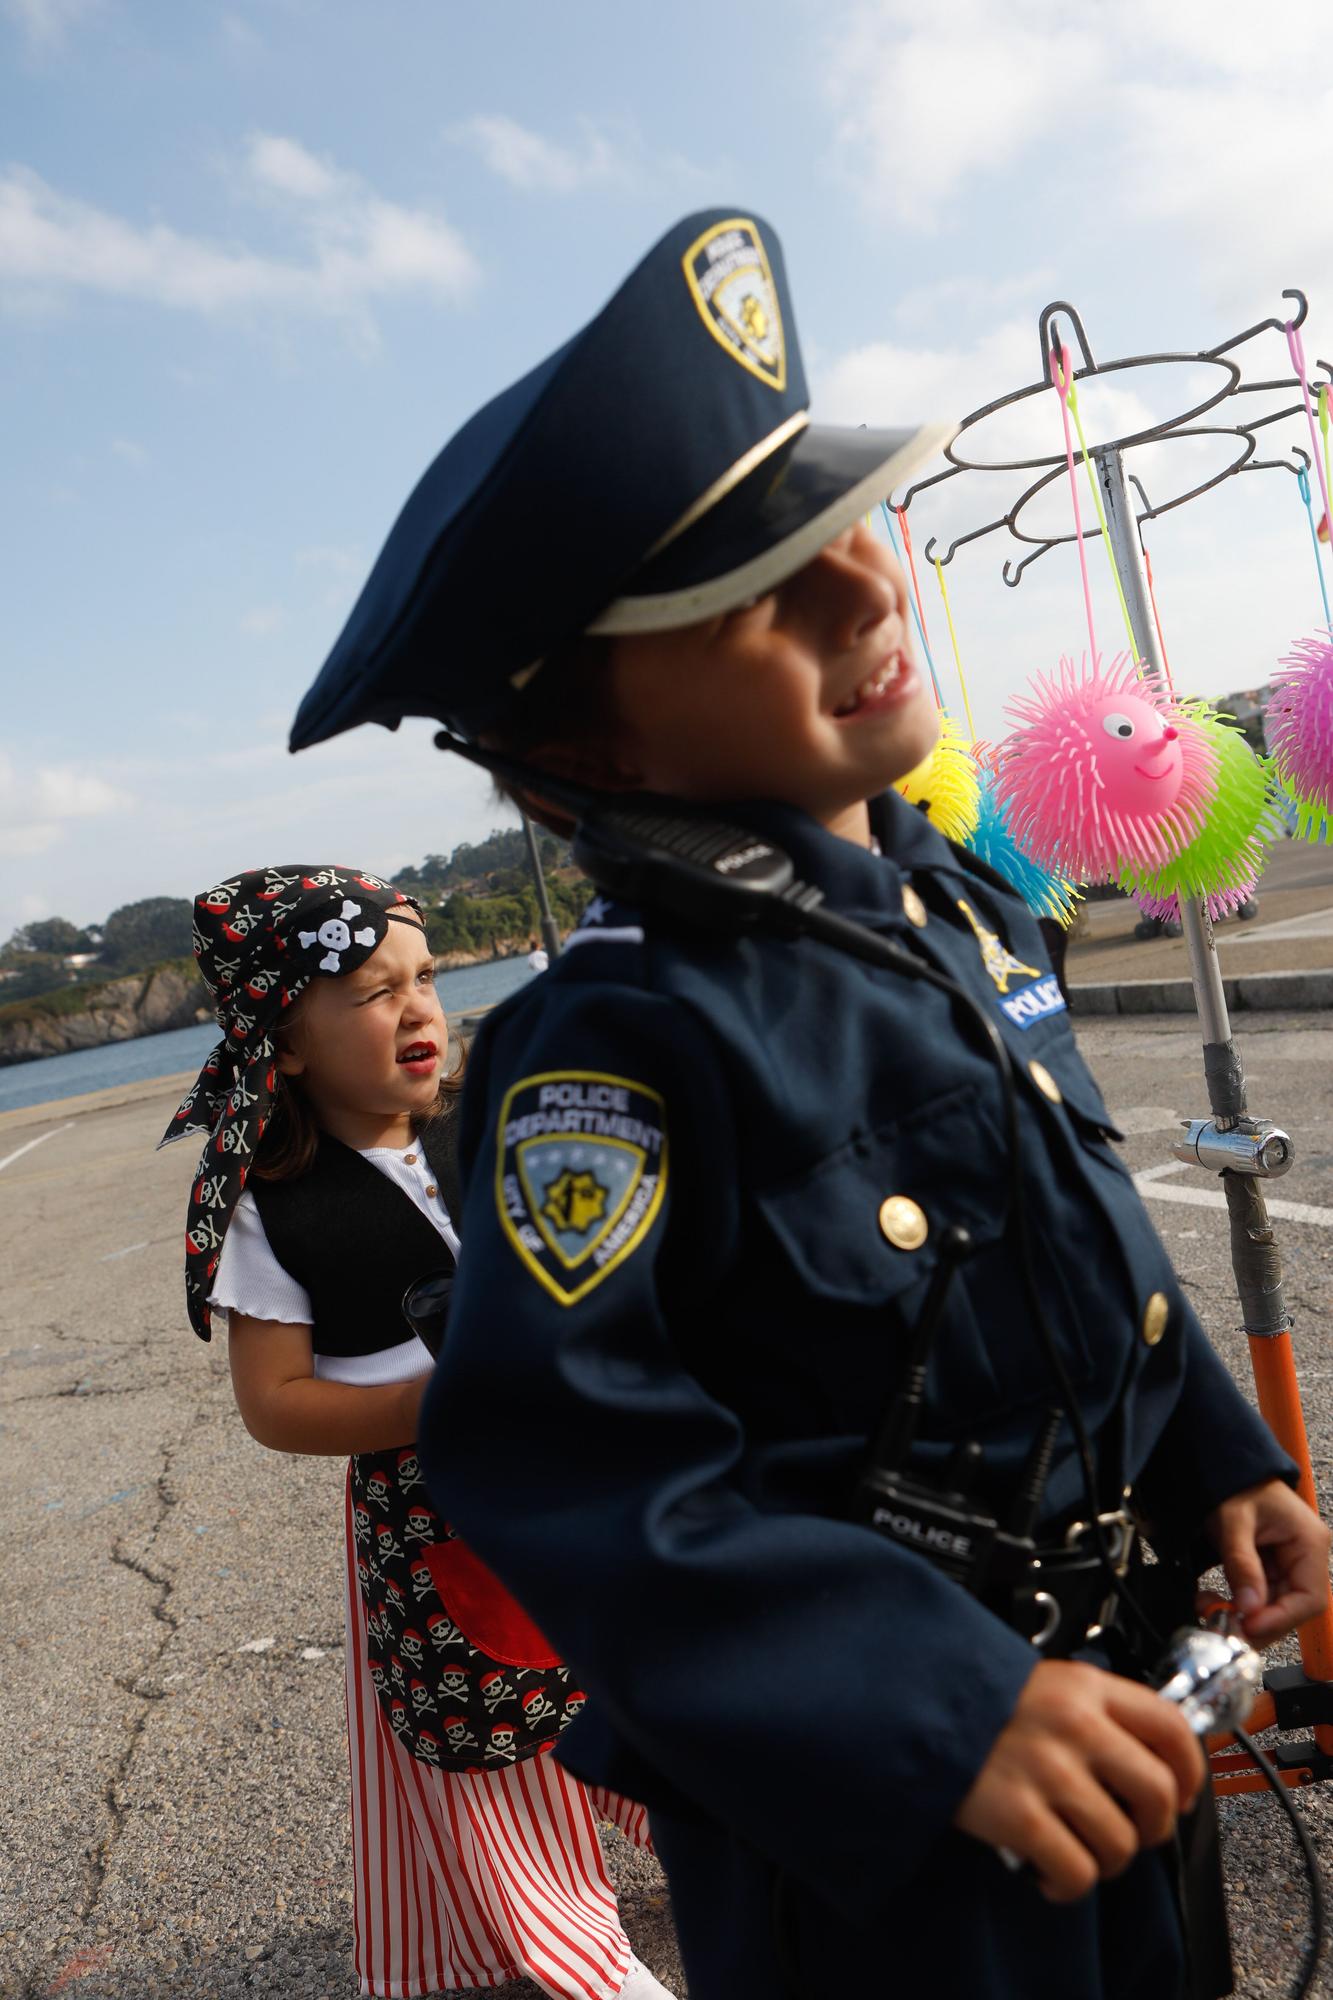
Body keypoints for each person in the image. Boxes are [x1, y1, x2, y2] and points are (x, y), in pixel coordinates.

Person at [285, 212, 1330, 1998]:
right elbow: (567, 1466)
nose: (859, 588)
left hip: (1115, 1713)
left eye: (837, 518)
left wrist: (1213, 1459)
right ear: (588, 750)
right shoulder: (609, 1056)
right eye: (746, 596)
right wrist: (931, 1711)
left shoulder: (962, 912)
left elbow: (1075, 1247)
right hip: (895, 1827)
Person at [161, 865, 673, 2000]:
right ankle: (575, 1948)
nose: (418, 1009)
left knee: (642, 1673)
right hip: (435, 1507)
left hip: (585, 1474)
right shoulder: (273, 1198)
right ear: (284, 1042)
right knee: (492, 1725)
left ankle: (710, 1836)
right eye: (370, 990)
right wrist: (441, 1400)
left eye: (426, 978)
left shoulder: (492, 1124)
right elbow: (275, 1402)